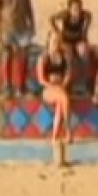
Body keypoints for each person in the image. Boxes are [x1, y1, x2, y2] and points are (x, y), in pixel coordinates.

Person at [37, 31, 75, 166]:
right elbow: (41, 79)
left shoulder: (64, 57)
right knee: (64, 98)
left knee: (61, 102)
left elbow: (69, 74)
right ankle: (68, 130)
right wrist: (53, 85)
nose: (56, 43)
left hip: (61, 87)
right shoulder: (44, 58)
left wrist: (63, 84)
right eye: (54, 40)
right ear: (49, 41)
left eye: (58, 41)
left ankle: (55, 135)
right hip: (48, 90)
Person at [0, 0, 36, 97]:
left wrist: (31, 23)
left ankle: (21, 86)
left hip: (22, 27)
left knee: (23, 56)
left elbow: (28, 5)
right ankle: (7, 86)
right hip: (6, 27)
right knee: (7, 55)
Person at [50, 0, 93, 90]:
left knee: (85, 53)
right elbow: (51, 19)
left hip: (78, 39)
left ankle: (86, 79)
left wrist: (85, 33)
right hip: (66, 39)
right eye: (74, 9)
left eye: (79, 8)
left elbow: (89, 20)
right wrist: (57, 31)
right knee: (68, 56)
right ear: (69, 9)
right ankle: (68, 80)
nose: (77, 11)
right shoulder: (64, 15)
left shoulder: (85, 15)